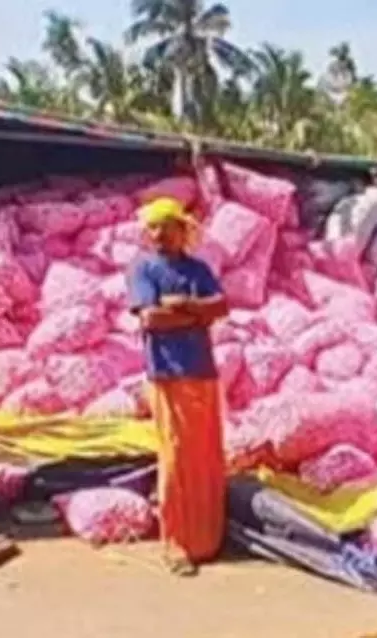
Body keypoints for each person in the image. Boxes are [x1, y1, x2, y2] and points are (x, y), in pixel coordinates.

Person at [126, 196, 229, 577]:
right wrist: (195, 314)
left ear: (181, 230)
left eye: (164, 226)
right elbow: (151, 319)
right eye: (152, 227)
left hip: (202, 372)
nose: (157, 234)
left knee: (205, 459)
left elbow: (221, 306)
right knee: (176, 460)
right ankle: (176, 544)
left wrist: (182, 305)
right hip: (168, 373)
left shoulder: (197, 269)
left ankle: (207, 540)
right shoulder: (143, 269)